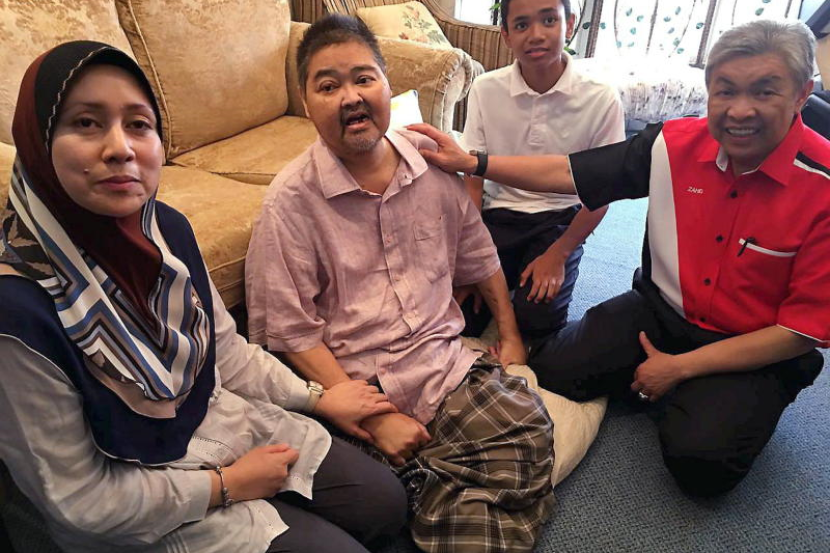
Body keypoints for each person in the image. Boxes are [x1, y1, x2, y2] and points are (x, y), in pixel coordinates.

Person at [0, 41, 407, 553]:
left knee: (385, 503)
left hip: (216, 423)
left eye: (138, 124)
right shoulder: (19, 309)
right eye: (86, 123)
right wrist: (227, 486)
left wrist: (317, 397)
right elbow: (81, 500)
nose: (120, 148)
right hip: (135, 499)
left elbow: (226, 352)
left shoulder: (164, 231)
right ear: (37, 140)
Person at [409, 19, 828, 497]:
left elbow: (799, 332)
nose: (740, 111)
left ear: (802, 94)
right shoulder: (671, 144)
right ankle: (677, 385)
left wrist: (680, 369)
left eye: (764, 92)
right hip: (658, 310)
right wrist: (474, 162)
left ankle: (720, 391)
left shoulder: (824, 187)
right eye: (725, 91)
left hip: (752, 345)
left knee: (701, 466)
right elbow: (570, 172)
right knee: (553, 370)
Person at [245, 15, 554, 553]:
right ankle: (446, 499)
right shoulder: (289, 204)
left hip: (440, 365)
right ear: (307, 104)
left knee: (530, 425)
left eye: (363, 78)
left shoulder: (432, 167)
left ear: (388, 85)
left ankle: (442, 498)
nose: (350, 97)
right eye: (328, 86)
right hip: (362, 387)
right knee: (386, 499)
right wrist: (378, 418)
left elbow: (478, 253)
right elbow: (291, 332)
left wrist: (509, 335)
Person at [457, 0, 624, 340]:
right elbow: (473, 179)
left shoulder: (601, 98)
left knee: (537, 320)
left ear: (570, 24)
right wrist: (474, 255)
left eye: (549, 20)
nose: (536, 35)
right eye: (521, 25)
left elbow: (603, 193)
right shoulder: (485, 89)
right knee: (461, 314)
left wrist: (559, 254)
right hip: (498, 214)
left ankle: (535, 274)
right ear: (505, 35)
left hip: (559, 220)